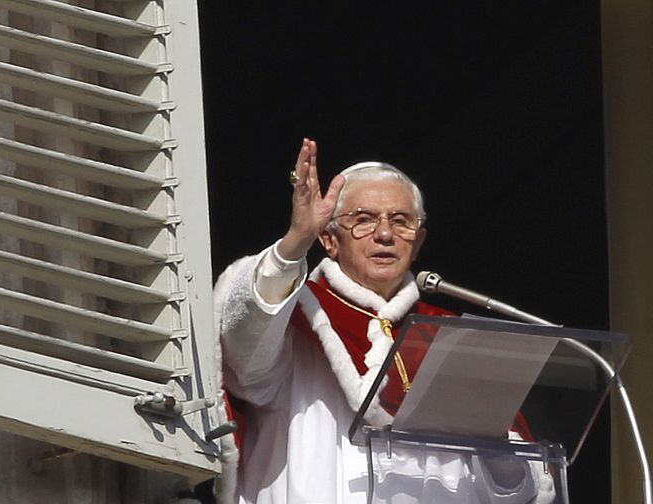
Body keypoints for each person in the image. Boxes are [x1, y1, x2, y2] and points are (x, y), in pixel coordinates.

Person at [213, 139, 555, 504]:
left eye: (401, 221)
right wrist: (296, 243)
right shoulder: (297, 320)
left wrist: (496, 450)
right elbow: (243, 354)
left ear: (418, 241)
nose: (385, 234)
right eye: (363, 220)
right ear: (328, 239)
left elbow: (517, 492)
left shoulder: (452, 340)